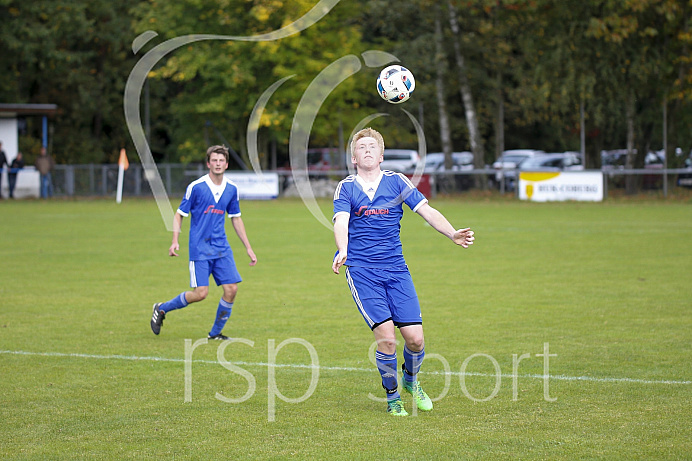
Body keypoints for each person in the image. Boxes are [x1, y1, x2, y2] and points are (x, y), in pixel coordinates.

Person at [332, 128, 475, 416]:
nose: (368, 150)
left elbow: (427, 210)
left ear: (382, 155)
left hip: (396, 269)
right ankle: (393, 397)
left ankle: (411, 381)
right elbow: (341, 220)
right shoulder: (346, 187)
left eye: (373, 146)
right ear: (354, 157)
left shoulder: (397, 182)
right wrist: (343, 248)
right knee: (386, 337)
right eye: (362, 147)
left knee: (416, 339)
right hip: (362, 271)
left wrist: (452, 233)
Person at [150, 145, 257, 340]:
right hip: (200, 248)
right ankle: (162, 308)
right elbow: (179, 214)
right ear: (208, 163)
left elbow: (236, 218)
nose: (217, 164)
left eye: (221, 161)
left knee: (232, 289)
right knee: (200, 293)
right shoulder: (196, 187)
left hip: (222, 247)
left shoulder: (232, 189)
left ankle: (215, 333)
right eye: (214, 160)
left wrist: (248, 248)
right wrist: (174, 241)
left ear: (226, 164)